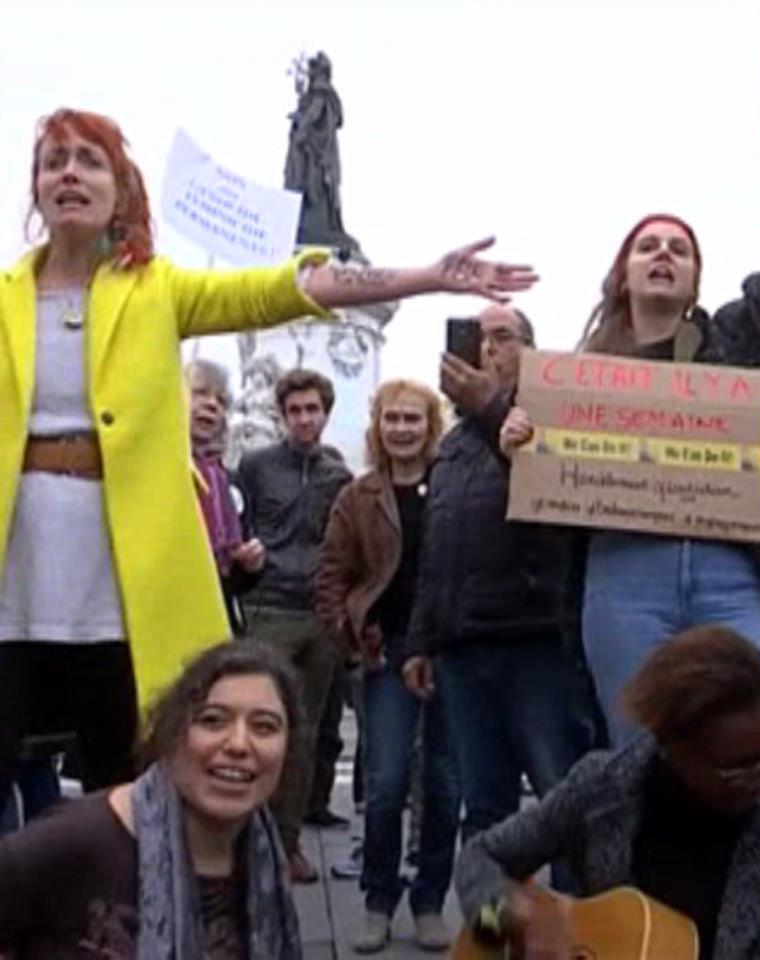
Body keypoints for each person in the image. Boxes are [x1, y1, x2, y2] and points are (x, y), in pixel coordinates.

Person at [0, 107, 535, 811]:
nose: (69, 172)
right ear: (36, 190)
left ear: (121, 192)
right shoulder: (7, 297)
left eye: (89, 161)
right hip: (18, 571)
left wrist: (426, 277)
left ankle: (132, 922)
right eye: (54, 161)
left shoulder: (156, 288)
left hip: (119, 583)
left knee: (123, 786)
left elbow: (290, 289)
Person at [498, 56, 760, 782]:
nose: (664, 255)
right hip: (622, 576)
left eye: (680, 248)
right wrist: (519, 444)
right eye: (648, 247)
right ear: (624, 275)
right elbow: (548, 505)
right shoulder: (572, 378)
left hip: (733, 574)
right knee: (645, 769)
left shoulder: (742, 336)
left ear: (697, 278)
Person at [455, 626, 760, 960]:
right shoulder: (602, 787)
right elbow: (479, 858)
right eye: (734, 769)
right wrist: (509, 920)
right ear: (670, 746)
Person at [403, 305, 595, 848]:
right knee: (486, 812)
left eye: (503, 337)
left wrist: (492, 412)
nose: (487, 348)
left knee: (560, 798)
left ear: (529, 352)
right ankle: (492, 932)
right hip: (463, 652)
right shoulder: (450, 447)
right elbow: (434, 554)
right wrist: (421, 640)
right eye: (477, 338)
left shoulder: (550, 426)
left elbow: (557, 511)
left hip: (534, 645)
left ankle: (576, 928)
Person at [0, 641, 304, 958]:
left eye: (264, 727)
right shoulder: (79, 838)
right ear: (172, 735)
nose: (239, 744)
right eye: (213, 720)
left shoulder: (265, 860)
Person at [316, 379, 460, 953]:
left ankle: (429, 900)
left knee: (446, 784)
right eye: (393, 419)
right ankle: (378, 899)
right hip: (387, 650)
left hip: (450, 652)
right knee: (387, 783)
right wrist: (349, 636)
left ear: (431, 426)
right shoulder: (358, 496)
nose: (403, 429)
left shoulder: (452, 487)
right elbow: (332, 575)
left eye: (414, 419)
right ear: (379, 425)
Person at [237, 368, 353, 883]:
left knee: (304, 736)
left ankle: (286, 845)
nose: (305, 419)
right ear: (282, 416)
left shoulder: (338, 473)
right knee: (259, 729)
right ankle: (246, 842)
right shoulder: (257, 465)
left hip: (321, 614)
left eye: (313, 410)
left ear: (325, 413)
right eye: (295, 411)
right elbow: (238, 527)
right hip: (269, 609)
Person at [186, 359, 265, 636]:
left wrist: (250, 565)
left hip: (218, 623)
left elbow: (237, 579)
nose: (212, 405)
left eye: (221, 400)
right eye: (200, 393)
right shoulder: (155, 472)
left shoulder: (229, 482)